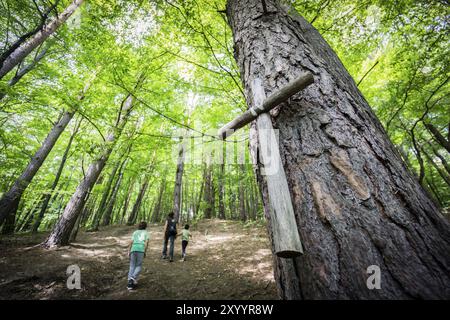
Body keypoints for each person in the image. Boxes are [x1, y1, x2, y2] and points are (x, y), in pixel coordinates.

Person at [127, 221, 149, 290]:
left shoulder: (135, 232)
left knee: (132, 265)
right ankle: (132, 278)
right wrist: (145, 252)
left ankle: (129, 283)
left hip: (133, 249)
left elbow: (131, 242)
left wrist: (129, 251)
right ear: (145, 226)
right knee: (138, 265)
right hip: (141, 250)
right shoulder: (146, 233)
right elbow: (146, 244)